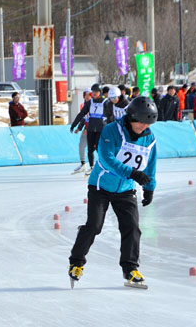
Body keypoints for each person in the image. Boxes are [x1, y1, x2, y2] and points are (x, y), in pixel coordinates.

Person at [68, 96, 158, 289]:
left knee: (132, 228)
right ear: (131, 117)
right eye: (140, 122)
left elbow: (150, 165)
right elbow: (107, 159)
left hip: (126, 190)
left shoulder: (150, 138)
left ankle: (130, 269)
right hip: (101, 187)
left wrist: (149, 188)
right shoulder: (111, 130)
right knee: (94, 226)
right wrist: (132, 173)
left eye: (147, 123)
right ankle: (76, 262)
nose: (143, 127)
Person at [70, 83, 114, 176]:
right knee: (90, 150)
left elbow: (111, 115)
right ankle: (92, 167)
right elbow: (81, 114)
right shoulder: (90, 102)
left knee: (99, 149)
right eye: (93, 92)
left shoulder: (106, 102)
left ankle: (105, 166)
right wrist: (74, 125)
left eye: (96, 92)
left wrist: (111, 125)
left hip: (101, 129)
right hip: (91, 129)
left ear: (100, 92)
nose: (94, 93)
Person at [71, 88, 92, 174]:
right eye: (85, 95)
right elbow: (83, 118)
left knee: (92, 149)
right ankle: (83, 164)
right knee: (81, 145)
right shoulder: (83, 105)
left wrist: (87, 128)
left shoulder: (94, 105)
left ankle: (92, 166)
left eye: (88, 95)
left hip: (93, 129)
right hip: (86, 129)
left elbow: (94, 119)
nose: (87, 97)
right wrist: (79, 128)